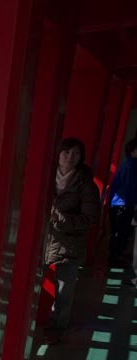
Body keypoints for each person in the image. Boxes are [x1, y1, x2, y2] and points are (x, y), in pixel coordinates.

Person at [44, 137, 100, 342]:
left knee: (63, 294)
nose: (70, 157)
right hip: (43, 242)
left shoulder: (86, 185)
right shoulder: (45, 176)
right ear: (58, 154)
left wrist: (60, 218)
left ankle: (56, 330)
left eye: (76, 153)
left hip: (70, 246)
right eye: (66, 152)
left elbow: (90, 218)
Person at [109, 137, 137, 269]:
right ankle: (114, 258)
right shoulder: (131, 166)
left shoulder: (129, 164)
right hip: (123, 204)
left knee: (121, 231)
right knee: (120, 232)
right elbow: (130, 188)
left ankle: (117, 255)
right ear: (132, 151)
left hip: (121, 203)